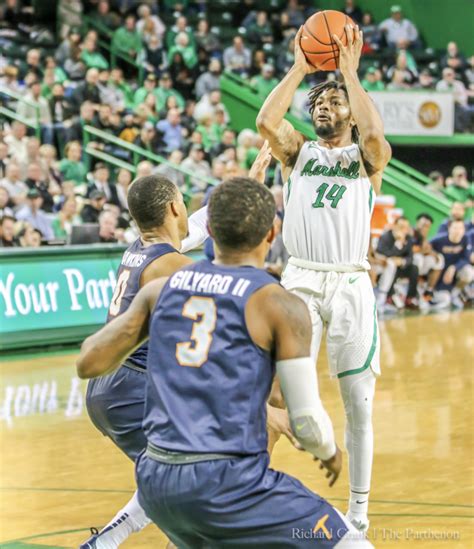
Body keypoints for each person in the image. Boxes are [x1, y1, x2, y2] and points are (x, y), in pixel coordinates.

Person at [77, 176, 373, 549]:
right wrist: (328, 451)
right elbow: (305, 419)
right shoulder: (276, 305)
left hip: (156, 477)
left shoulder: (163, 288)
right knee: (352, 543)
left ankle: (109, 540)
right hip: (223, 478)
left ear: (212, 232)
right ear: (271, 235)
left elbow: (87, 362)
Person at [256, 24, 392, 531]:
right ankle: (247, 490)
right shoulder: (299, 153)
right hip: (301, 280)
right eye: (318, 102)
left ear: (351, 114)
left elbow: (375, 135)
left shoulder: (365, 159)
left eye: (333, 102)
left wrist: (349, 75)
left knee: (358, 405)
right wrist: (300, 68)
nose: (322, 107)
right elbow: (268, 120)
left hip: (351, 282)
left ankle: (358, 513)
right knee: (274, 393)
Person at [375, 216, 419, 311]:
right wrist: (398, 244)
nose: (403, 229)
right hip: (385, 267)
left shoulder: (408, 238)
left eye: (406, 227)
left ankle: (410, 298)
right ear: (394, 226)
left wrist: (402, 261)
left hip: (400, 266)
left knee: (414, 268)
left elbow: (410, 257)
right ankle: (387, 297)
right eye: (401, 226)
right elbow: (383, 253)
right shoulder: (385, 237)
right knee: (391, 265)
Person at [431, 219, 473, 308]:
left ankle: (455, 294)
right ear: (449, 228)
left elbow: (466, 259)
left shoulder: (466, 239)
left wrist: (453, 268)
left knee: (469, 272)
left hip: (454, 274)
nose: (457, 231)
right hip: (438, 274)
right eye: (455, 228)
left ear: (464, 230)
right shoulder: (438, 240)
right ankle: (427, 291)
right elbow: (426, 248)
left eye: (460, 228)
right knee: (443, 299)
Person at [411, 213, 444, 304]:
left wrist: (431, 252)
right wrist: (427, 252)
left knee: (439, 258)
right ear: (417, 223)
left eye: (427, 226)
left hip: (417, 267)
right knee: (419, 258)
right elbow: (411, 251)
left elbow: (427, 248)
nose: (424, 228)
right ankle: (413, 291)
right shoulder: (410, 232)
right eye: (423, 225)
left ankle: (428, 291)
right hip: (404, 264)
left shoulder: (423, 236)